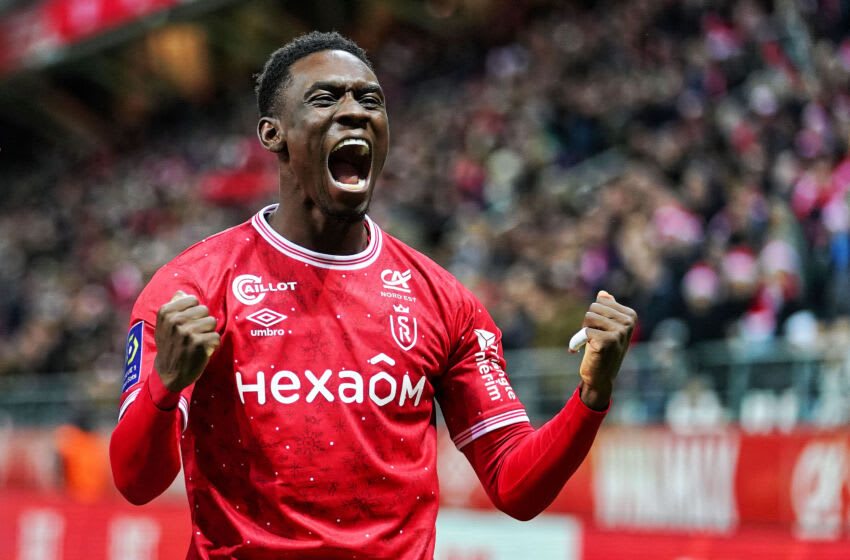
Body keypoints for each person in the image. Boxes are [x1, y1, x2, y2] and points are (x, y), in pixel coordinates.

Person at [109, 31, 636, 559]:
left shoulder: (443, 301)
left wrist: (591, 397)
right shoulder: (193, 289)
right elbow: (136, 481)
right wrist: (164, 386)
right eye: (326, 98)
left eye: (370, 100)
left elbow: (515, 484)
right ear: (274, 134)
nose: (355, 112)